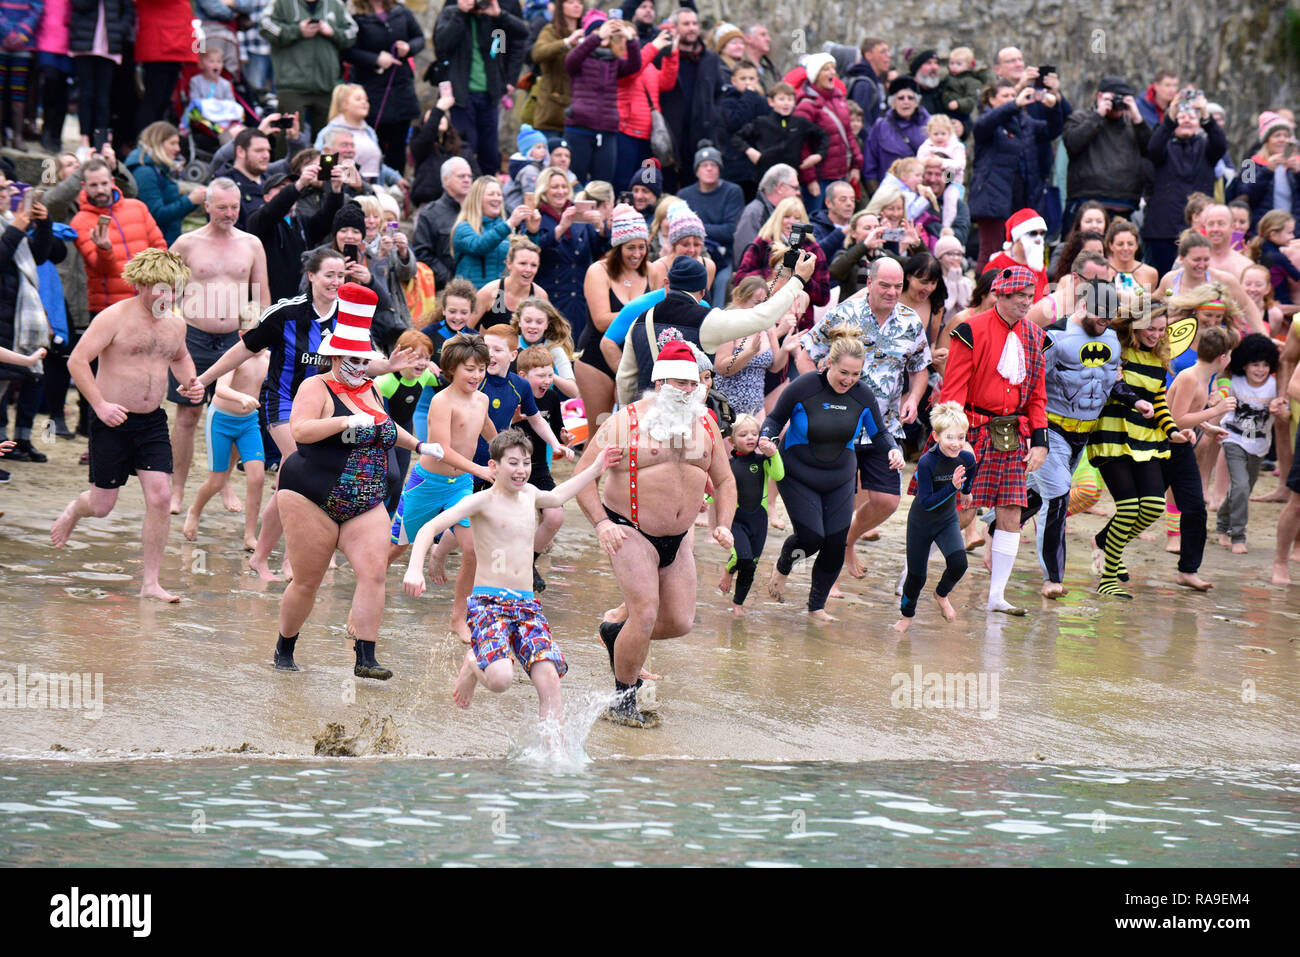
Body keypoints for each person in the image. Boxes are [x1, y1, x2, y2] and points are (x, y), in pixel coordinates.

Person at [270, 283, 441, 678]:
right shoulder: (316, 386)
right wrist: (345, 420)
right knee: (308, 582)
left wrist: (418, 444)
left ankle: (365, 658)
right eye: (353, 360)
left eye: (365, 361)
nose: (361, 369)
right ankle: (285, 649)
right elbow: (301, 430)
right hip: (310, 494)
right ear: (334, 357)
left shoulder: (371, 390)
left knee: (374, 572)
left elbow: (386, 427)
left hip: (365, 498)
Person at [572, 339, 736, 727]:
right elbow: (582, 477)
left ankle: (617, 635)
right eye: (679, 384)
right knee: (645, 614)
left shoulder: (706, 423)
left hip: (677, 538)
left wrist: (724, 523)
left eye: (692, 383)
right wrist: (602, 524)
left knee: (679, 622)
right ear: (659, 383)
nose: (687, 391)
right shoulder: (624, 422)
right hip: (630, 530)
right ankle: (623, 700)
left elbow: (725, 479)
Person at [404, 428, 619, 720]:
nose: (521, 470)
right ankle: (473, 663)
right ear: (494, 466)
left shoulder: (530, 494)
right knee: (501, 680)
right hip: (488, 604)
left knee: (549, 678)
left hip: (526, 605)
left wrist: (595, 468)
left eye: (526, 463)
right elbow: (430, 528)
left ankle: (552, 756)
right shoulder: (481, 501)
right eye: (513, 463)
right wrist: (415, 569)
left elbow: (557, 497)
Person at [50, 250, 199, 601]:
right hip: (111, 420)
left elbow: (180, 357)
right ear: (142, 284)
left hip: (152, 423)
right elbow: (77, 361)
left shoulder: (176, 323)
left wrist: (191, 381)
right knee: (102, 506)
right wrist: (99, 405)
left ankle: (151, 583)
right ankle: (75, 510)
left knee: (161, 497)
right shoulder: (113, 318)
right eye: (161, 289)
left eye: (174, 290)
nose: (167, 297)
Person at [762, 327, 901, 619]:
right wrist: (766, 438)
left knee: (836, 541)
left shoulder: (862, 395)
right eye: (844, 373)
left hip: (839, 475)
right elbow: (775, 419)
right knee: (811, 537)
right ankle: (784, 566)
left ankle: (816, 608)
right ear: (828, 364)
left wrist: (893, 450)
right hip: (797, 472)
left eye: (855, 374)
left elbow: (880, 434)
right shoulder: (804, 387)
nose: (849, 380)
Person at [937, 265, 1049, 616]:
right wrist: (955, 438)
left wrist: (1041, 440)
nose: (1026, 304)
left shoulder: (1035, 336)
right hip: (970, 428)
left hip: (1012, 434)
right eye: (1019, 297)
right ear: (999, 295)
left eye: (1030, 297)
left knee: (1012, 511)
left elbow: (1037, 397)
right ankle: (912, 573)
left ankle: (997, 596)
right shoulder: (970, 330)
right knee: (961, 510)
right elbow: (952, 390)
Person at [167, 178, 272, 515]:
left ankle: (221, 482)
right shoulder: (186, 243)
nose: (229, 213)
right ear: (207, 206)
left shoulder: (251, 243)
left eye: (235, 207)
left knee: (232, 413)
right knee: (188, 415)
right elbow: (165, 291)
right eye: (222, 207)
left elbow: (262, 293)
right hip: (193, 336)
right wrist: (167, 330)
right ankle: (177, 489)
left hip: (236, 338)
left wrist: (260, 336)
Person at [390, 332, 494, 641]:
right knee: (395, 549)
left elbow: (489, 430)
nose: (477, 375)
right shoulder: (441, 401)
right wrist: (479, 469)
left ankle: (457, 617)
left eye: (481, 368)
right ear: (451, 369)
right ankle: (362, 605)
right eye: (469, 369)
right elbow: (443, 449)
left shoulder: (483, 399)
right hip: (426, 483)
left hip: (459, 485)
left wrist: (509, 452)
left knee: (473, 550)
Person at [1087, 301, 1195, 597]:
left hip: (1147, 439)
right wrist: (1133, 399)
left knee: (1152, 507)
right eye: (1151, 328)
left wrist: (1174, 431)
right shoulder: (1116, 350)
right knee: (1129, 507)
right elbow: (1108, 386)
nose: (1156, 335)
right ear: (1135, 324)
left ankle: (1106, 541)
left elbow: (1159, 401)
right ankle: (1108, 578)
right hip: (1112, 435)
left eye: (1161, 330)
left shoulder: (1159, 360)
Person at [182, 308, 269, 549]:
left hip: (249, 422)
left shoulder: (268, 359)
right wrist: (240, 397)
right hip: (221, 420)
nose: (261, 340)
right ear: (242, 335)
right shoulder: (236, 357)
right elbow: (220, 389)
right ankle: (195, 510)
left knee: (257, 477)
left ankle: (249, 535)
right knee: (216, 481)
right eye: (255, 334)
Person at [894, 401, 976, 632]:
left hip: (947, 520)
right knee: (916, 577)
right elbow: (927, 501)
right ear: (937, 436)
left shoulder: (966, 457)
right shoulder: (927, 461)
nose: (956, 443)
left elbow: (971, 470)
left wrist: (967, 491)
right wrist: (953, 487)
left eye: (961, 437)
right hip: (921, 522)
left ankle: (941, 594)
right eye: (950, 437)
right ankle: (906, 618)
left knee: (959, 564)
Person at [432, 0, 528, 180]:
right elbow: (442, 45)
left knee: (490, 152)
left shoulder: (492, 15)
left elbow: (522, 34)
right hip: (461, 94)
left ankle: (487, 192)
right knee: (466, 147)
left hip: (490, 94)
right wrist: (461, 13)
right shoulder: (452, 11)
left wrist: (499, 14)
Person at [578, 203, 652, 429]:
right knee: (600, 430)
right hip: (595, 358)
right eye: (631, 247)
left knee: (632, 430)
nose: (637, 254)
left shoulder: (652, 270)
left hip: (635, 356)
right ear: (618, 247)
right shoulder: (598, 271)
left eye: (642, 247)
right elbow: (601, 321)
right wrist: (642, 313)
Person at [1217, 333, 1288, 553]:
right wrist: (1217, 397)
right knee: (1240, 484)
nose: (1260, 370)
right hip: (1234, 438)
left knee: (1244, 488)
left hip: (1259, 443)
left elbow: (1285, 414)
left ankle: (1222, 520)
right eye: (1255, 364)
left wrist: (1281, 409)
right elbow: (1221, 371)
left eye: (1266, 365)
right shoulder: (1234, 382)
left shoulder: (1275, 387)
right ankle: (1237, 535)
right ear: (1244, 364)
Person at [1142, 92, 1227, 276]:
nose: (1186, 120)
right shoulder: (1163, 147)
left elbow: (1221, 145)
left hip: (1198, 228)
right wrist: (1170, 118)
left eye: (1191, 117)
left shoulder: (1206, 147)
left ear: (1199, 123)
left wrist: (1205, 114)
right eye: (1181, 117)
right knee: (1163, 278)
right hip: (1163, 229)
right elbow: (1153, 148)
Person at [969, 79, 1050, 270]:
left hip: (1020, 198)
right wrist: (1014, 105)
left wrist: (1056, 105)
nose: (1012, 100)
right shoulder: (986, 121)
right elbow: (983, 125)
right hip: (992, 199)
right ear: (991, 100)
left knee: (1023, 255)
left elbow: (1050, 130)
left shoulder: (1022, 122)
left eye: (1013, 96)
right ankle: (983, 297)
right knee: (991, 253)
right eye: (1005, 96)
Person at [247, 158, 345, 303]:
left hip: (300, 301)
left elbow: (327, 220)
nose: (289, 192)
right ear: (267, 197)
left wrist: (336, 189)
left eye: (289, 187)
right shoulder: (259, 220)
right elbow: (274, 209)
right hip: (270, 303)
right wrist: (298, 185)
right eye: (281, 189)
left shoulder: (301, 222)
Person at [343, 0, 425, 172]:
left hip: (401, 90)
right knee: (373, 146)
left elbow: (419, 38)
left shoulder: (400, 11)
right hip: (372, 92)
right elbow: (347, 51)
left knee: (398, 147)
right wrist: (375, 60)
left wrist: (408, 47)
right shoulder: (354, 15)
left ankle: (397, 188)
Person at [715, 414, 782, 615]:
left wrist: (773, 455)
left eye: (754, 433)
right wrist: (704, 501)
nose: (750, 438)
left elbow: (779, 475)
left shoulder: (763, 462)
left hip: (759, 520)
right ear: (731, 441)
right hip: (736, 520)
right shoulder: (728, 465)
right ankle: (729, 569)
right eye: (743, 435)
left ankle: (738, 604)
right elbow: (717, 487)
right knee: (743, 558)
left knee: (751, 565)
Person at [260, 0, 358, 138]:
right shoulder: (280, 2)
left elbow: (352, 32)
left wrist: (332, 32)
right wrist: (297, 31)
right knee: (288, 138)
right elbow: (265, 26)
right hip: (291, 86)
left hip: (326, 85)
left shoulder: (335, 3)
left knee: (327, 143)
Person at [1061, 77, 1151, 226]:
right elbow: (1073, 144)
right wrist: (1098, 115)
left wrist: (1137, 119)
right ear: (1099, 96)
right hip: (1086, 200)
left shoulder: (1134, 124)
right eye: (1112, 98)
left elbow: (1151, 151)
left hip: (1125, 203)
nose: (1117, 104)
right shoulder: (1081, 118)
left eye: (1121, 99)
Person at [564, 11, 640, 185]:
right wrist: (596, 37)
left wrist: (630, 40)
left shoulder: (613, 61)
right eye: (597, 29)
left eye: (605, 29)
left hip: (607, 129)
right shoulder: (581, 57)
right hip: (579, 127)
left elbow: (635, 65)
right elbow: (570, 60)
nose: (604, 33)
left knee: (603, 185)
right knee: (576, 182)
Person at [733, 196, 830, 328]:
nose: (791, 222)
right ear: (778, 218)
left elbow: (823, 297)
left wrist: (802, 277)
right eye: (787, 216)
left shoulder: (813, 250)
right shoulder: (762, 243)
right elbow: (740, 280)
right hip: (762, 318)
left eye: (797, 218)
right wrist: (773, 272)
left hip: (798, 322)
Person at [531, 165, 600, 340]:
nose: (560, 191)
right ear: (544, 190)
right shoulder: (536, 216)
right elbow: (533, 248)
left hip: (579, 297)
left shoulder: (580, 216)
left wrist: (601, 228)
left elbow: (599, 251)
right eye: (555, 187)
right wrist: (560, 228)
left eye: (564, 187)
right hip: (552, 296)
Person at [657, 5, 720, 189]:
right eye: (686, 24)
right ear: (674, 28)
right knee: (662, 186)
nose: (692, 28)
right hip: (669, 136)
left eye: (694, 23)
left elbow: (719, 94)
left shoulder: (710, 59)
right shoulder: (662, 56)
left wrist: (714, 117)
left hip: (700, 136)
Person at [794, 52, 862, 212]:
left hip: (840, 174)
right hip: (819, 177)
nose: (832, 73)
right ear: (816, 75)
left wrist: (856, 165)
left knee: (836, 219)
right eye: (826, 69)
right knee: (808, 221)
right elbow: (801, 145)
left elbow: (848, 134)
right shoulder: (806, 105)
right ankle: (796, 239)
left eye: (833, 68)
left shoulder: (839, 99)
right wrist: (810, 180)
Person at [678, 143, 745, 302]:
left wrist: (695, 227)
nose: (709, 169)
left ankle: (716, 318)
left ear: (720, 169)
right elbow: (680, 230)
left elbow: (731, 231)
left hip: (724, 256)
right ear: (697, 170)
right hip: (692, 252)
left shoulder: (732, 191)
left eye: (713, 165)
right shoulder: (684, 194)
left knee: (723, 281)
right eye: (704, 165)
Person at [124, 122, 206, 246]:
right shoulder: (145, 172)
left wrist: (192, 201)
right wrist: (189, 201)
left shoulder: (158, 169)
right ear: (157, 143)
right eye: (172, 143)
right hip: (157, 246)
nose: (178, 149)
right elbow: (156, 214)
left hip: (165, 240)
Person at [451, 175, 540, 287]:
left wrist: (532, 231)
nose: (497, 198)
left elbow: (527, 257)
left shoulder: (506, 229)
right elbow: (479, 246)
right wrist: (510, 223)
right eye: (491, 194)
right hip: (472, 298)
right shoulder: (463, 228)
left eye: (499, 194)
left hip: (500, 298)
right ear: (477, 198)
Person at [1228, 111, 1300, 231]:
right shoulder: (1250, 163)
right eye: (1277, 136)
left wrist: (1298, 173)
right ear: (1267, 140)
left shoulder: (1296, 163)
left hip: (1293, 231)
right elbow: (1244, 194)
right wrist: (1267, 171)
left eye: (1286, 136)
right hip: (1262, 230)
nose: (1282, 140)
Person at [862, 76, 929, 194]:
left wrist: (947, 188)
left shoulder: (932, 124)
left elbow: (951, 160)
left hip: (926, 195)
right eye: (901, 98)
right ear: (892, 103)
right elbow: (869, 165)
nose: (906, 102)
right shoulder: (880, 126)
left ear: (917, 102)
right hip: (891, 196)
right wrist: (876, 194)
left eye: (910, 98)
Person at [413, 156, 472, 286]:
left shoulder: (478, 211)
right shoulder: (430, 214)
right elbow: (422, 254)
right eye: (461, 176)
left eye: (469, 176)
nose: (467, 180)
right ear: (446, 180)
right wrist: (450, 280)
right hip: (444, 290)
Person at [529, 0, 584, 135]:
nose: (577, 5)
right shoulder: (550, 30)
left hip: (581, 111)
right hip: (552, 111)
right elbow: (537, 54)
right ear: (560, 7)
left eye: (580, 2)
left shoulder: (588, 32)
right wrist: (567, 42)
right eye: (571, 2)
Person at [473, 235, 547, 327]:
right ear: (509, 264)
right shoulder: (489, 292)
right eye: (522, 263)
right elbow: (464, 330)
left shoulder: (539, 296)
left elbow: (547, 334)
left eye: (534, 265)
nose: (528, 269)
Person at [985, 207, 1051, 302]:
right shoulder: (997, 264)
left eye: (1042, 233)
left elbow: (1045, 299)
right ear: (1018, 237)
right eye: (1033, 233)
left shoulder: (1038, 265)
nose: (1038, 239)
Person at [1106, 218, 1160, 294]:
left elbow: (1147, 304)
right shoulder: (1103, 271)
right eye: (1120, 244)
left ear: (1137, 245)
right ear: (1111, 245)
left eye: (1130, 244)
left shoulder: (1150, 273)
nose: (1125, 248)